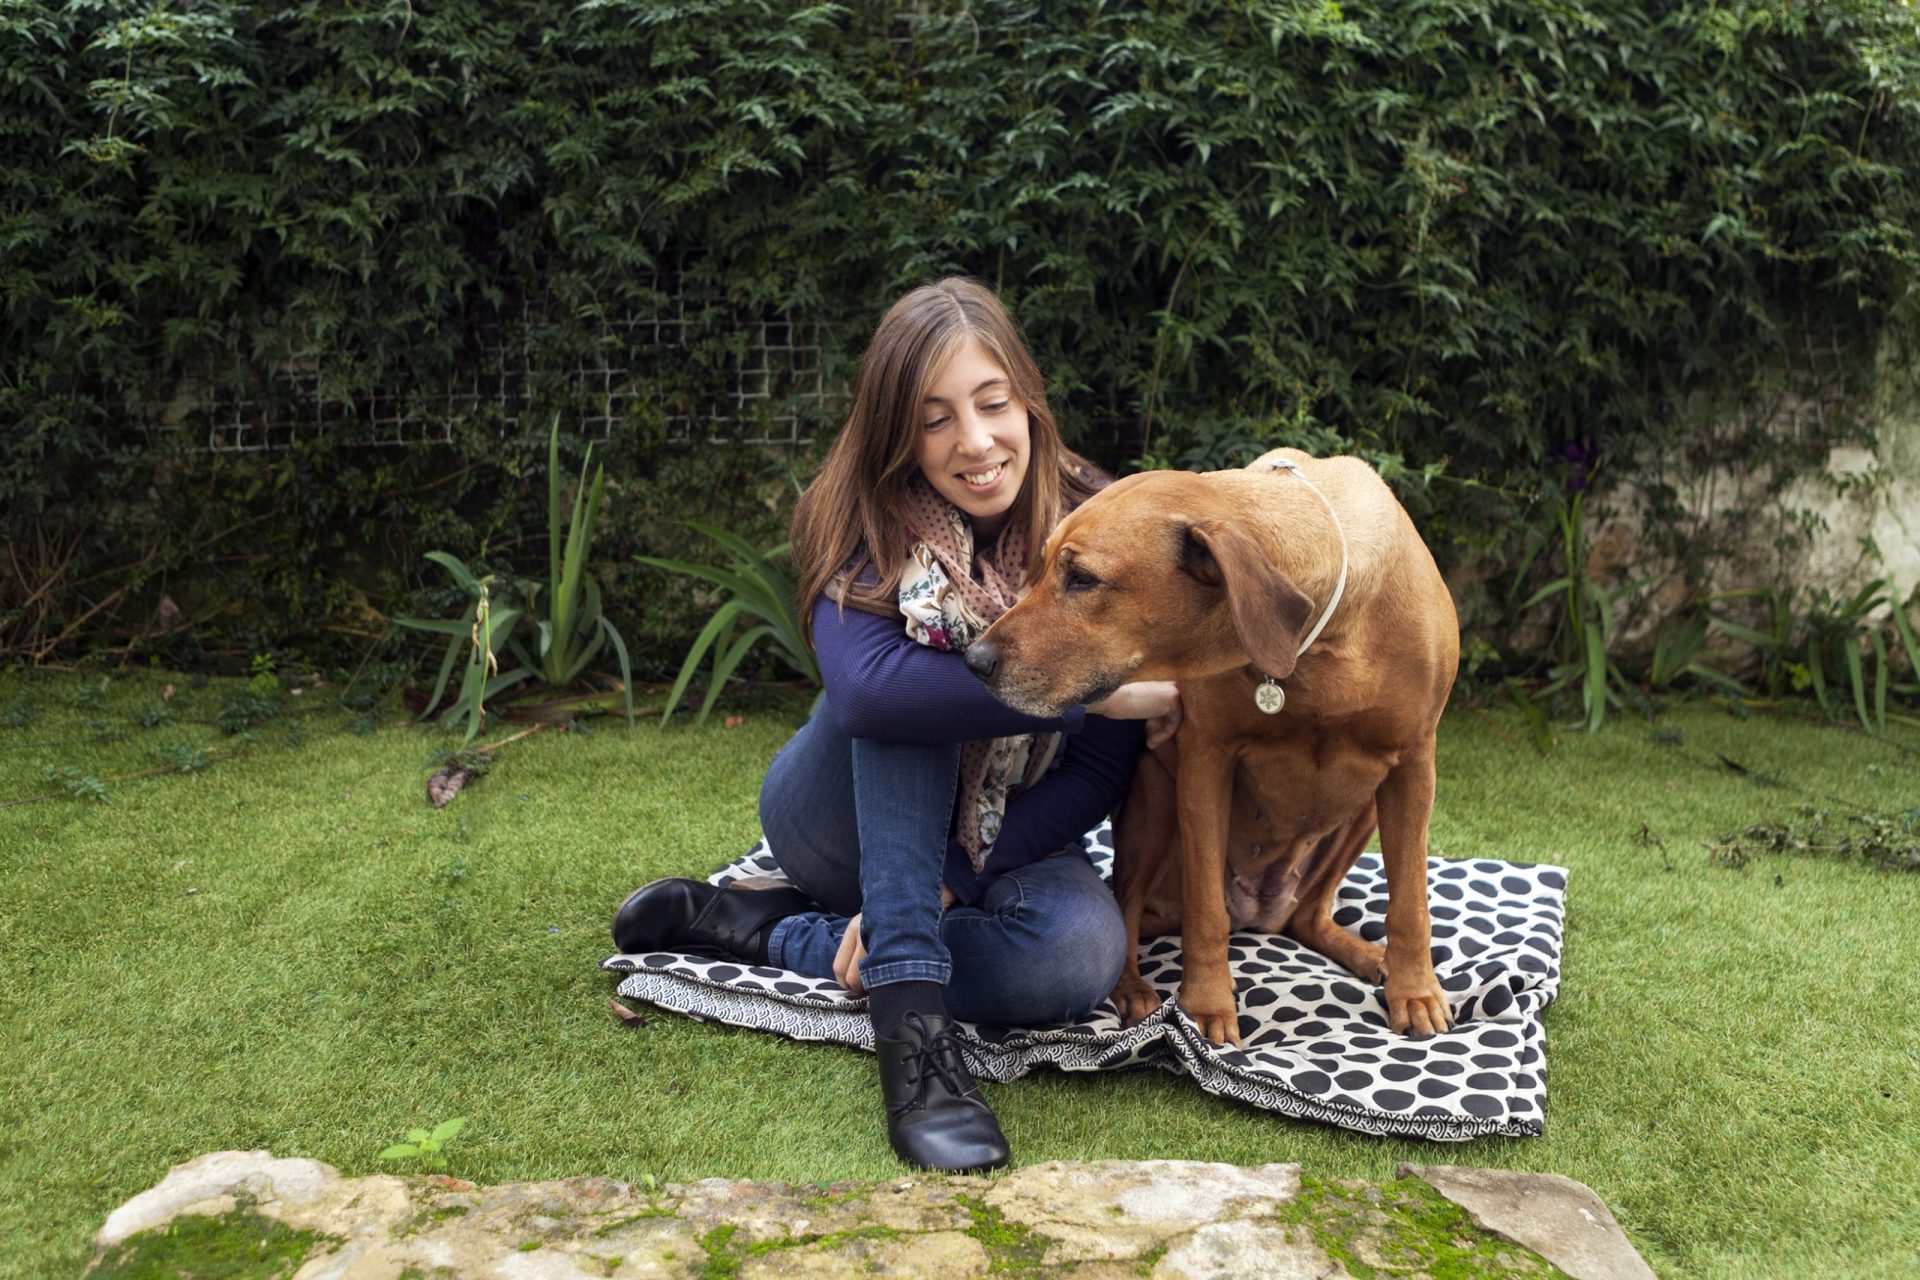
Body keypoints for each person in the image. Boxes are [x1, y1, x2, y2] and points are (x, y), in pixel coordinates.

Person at [612, 278, 1179, 1173]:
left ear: (1028, 401)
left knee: (1078, 956)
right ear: (896, 432)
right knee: (919, 681)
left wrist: (953, 874)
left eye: (994, 405)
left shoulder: (1096, 527)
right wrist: (1078, 694)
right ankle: (914, 1038)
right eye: (936, 419)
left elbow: (1096, 777)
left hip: (997, 833)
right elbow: (874, 700)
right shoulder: (859, 513)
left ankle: (761, 929)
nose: (977, 442)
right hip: (832, 815)